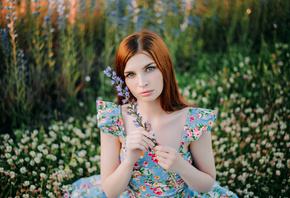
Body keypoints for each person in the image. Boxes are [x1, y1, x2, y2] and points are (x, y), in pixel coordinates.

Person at [67, 30, 238, 197]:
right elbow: (111, 192)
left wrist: (180, 166)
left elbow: (207, 185)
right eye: (131, 74)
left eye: (149, 68)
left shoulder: (193, 121)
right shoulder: (115, 119)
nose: (142, 82)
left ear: (165, 67)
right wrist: (128, 161)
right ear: (123, 79)